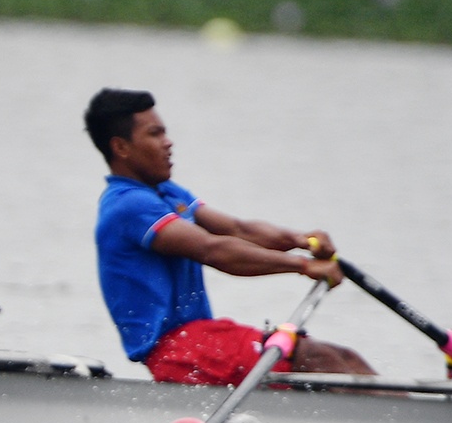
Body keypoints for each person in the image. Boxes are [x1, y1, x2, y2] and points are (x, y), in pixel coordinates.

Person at [85, 87, 373, 385]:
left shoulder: (168, 194)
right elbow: (212, 249)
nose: (168, 143)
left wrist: (302, 241)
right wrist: (303, 266)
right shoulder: (128, 205)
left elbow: (239, 230)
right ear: (121, 148)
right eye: (155, 134)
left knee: (344, 358)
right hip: (176, 350)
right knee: (316, 358)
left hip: (203, 336)